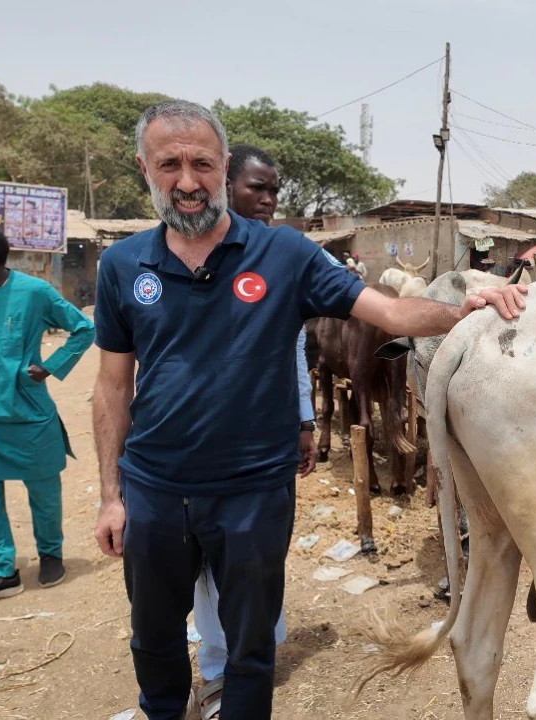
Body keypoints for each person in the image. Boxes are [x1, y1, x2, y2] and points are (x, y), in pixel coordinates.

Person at [91, 99, 525, 720]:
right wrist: (112, 494)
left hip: (253, 490)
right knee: (153, 637)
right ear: (144, 168)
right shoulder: (122, 264)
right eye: (169, 164)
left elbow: (393, 314)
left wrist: (469, 306)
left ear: (221, 166)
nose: (187, 182)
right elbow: (111, 386)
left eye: (202, 164)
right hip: (155, 487)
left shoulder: (285, 256)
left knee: (250, 646)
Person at [188, 143, 314, 719]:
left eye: (273, 190)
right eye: (255, 188)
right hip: (195, 439)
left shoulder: (282, 252)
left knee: (258, 556)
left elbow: (295, 344)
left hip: (265, 439)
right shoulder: (184, 249)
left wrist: (304, 418)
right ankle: (216, 668)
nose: (266, 200)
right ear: (224, 186)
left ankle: (251, 651)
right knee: (206, 564)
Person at [0, 223, 95, 603]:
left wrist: (50, 366)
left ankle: (51, 553)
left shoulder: (35, 292)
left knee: (44, 492)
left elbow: (82, 329)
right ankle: (1, 572)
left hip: (27, 412)